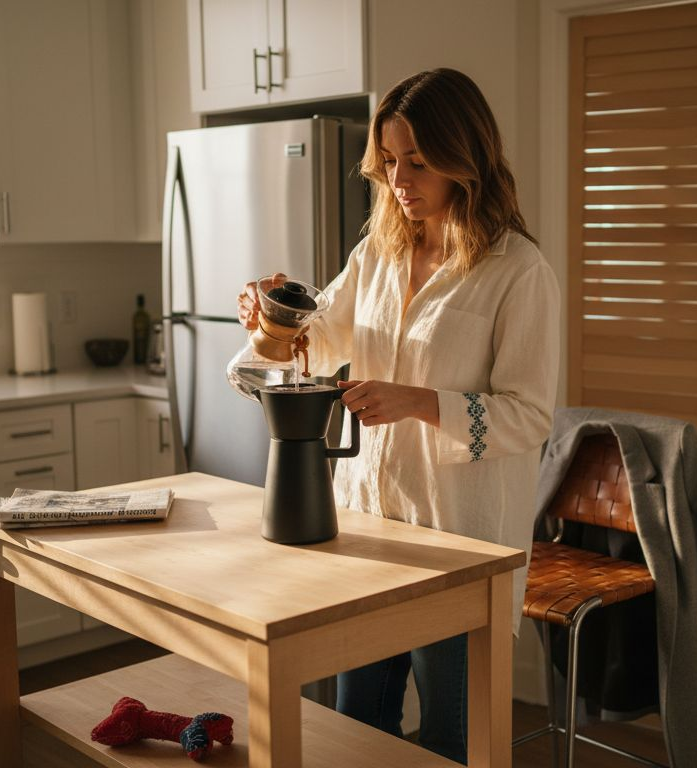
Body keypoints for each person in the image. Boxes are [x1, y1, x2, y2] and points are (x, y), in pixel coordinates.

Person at [237, 68, 559, 764]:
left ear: (463, 155)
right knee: (357, 735)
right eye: (387, 160)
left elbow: (529, 416)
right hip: (369, 531)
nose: (399, 177)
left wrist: (418, 402)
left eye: (417, 159)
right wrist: (272, 322)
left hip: (455, 545)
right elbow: (320, 342)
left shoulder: (516, 270)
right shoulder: (378, 254)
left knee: (451, 743)